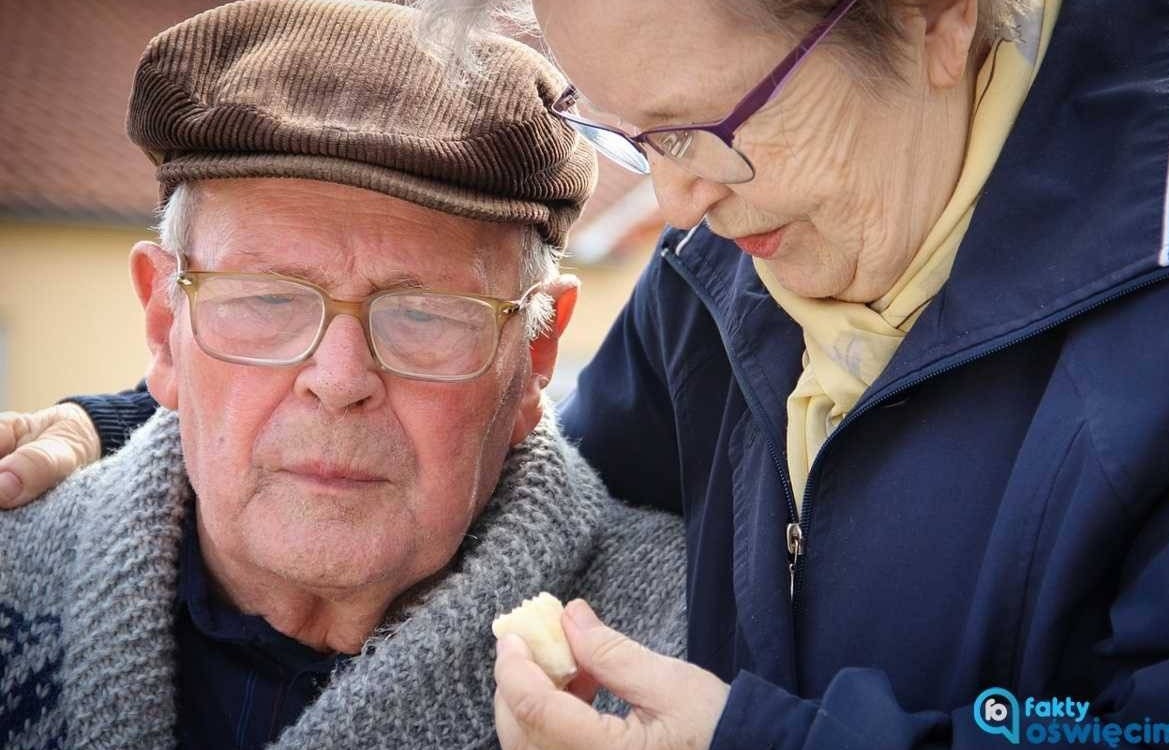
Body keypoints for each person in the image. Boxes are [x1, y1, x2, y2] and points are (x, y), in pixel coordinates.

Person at [5, 0, 1169, 747]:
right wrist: (134, 428)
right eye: (631, 137)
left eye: (712, 124)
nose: (675, 205)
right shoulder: (720, 274)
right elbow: (488, 441)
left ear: (937, 18)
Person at [0, 1, 690, 748]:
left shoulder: (694, 644)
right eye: (268, 300)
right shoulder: (13, 568)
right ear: (166, 328)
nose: (337, 380)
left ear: (536, 354)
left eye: (423, 314)